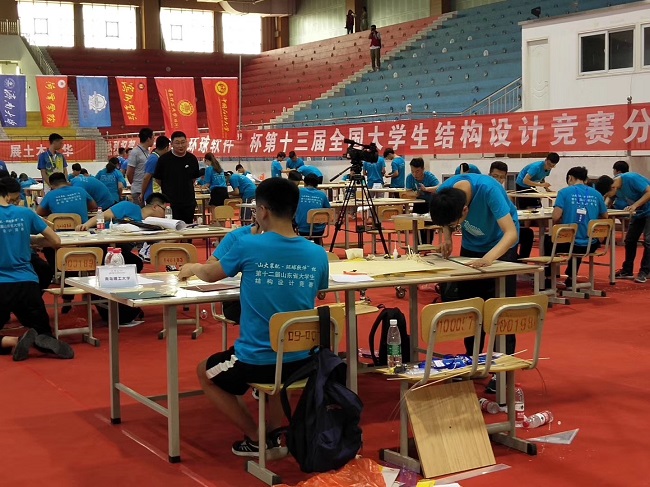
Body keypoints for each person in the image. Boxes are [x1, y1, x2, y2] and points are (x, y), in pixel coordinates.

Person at [178, 178, 329, 457]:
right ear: (295, 210)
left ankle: (256, 437)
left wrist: (192, 267)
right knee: (280, 370)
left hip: (257, 359)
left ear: (262, 211)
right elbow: (319, 291)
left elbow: (209, 274)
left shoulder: (248, 245)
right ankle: (273, 434)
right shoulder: (318, 253)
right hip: (304, 359)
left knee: (204, 373)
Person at [430, 173, 519, 358]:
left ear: (465, 210)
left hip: (501, 244)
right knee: (470, 305)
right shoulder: (445, 192)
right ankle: (472, 358)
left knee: (500, 307)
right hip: (472, 245)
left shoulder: (489, 190)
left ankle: (503, 363)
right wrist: (447, 238)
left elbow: (511, 234)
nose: (454, 227)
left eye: (454, 225)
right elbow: (445, 220)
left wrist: (489, 258)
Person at [0, 178, 74, 361]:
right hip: (28, 283)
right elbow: (55, 241)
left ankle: (12, 341)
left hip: (1, 285)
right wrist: (27, 239)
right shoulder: (26, 213)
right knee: (42, 331)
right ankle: (41, 339)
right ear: (7, 195)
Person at [546, 166, 608, 289]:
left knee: (548, 240)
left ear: (570, 178)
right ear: (585, 179)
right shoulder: (597, 194)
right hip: (591, 244)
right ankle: (571, 277)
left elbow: (555, 217)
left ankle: (547, 278)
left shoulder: (564, 192)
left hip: (569, 244)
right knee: (580, 234)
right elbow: (605, 217)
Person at [596, 173, 650, 283]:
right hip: (639, 213)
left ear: (613, 187)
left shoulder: (631, 179)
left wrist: (635, 205)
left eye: (607, 194)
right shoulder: (614, 186)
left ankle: (645, 271)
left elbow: (649, 192)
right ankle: (627, 270)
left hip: (647, 210)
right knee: (630, 240)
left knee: (649, 241)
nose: (609, 196)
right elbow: (610, 199)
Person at [489, 160, 534, 260]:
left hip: (505, 229)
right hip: (494, 231)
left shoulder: (504, 194)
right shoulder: (488, 191)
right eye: (495, 176)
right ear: (489, 175)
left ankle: (521, 261)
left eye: (501, 177)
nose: (498, 180)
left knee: (527, 233)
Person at [153, 131, 201, 224]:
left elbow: (193, 178)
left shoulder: (192, 159)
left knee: (188, 227)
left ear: (187, 143)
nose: (180, 146)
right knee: (172, 227)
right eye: (177, 143)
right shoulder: (164, 159)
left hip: (188, 202)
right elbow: (158, 179)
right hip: (170, 203)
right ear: (171, 144)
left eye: (183, 142)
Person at [295, 174, 331, 244]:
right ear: (317, 184)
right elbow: (328, 210)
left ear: (304, 183)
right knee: (318, 238)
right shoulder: (322, 195)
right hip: (319, 231)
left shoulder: (298, 192)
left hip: (302, 230)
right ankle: (319, 247)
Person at [126, 127, 154, 206]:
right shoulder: (135, 152)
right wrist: (135, 184)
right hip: (138, 190)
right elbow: (129, 173)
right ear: (148, 139)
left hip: (147, 189)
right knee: (140, 212)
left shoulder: (147, 152)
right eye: (153, 138)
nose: (153, 140)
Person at [141, 136, 170, 202]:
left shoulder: (156, 157)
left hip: (155, 194)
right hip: (152, 195)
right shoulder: (154, 159)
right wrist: (142, 193)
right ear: (166, 148)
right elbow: (146, 178)